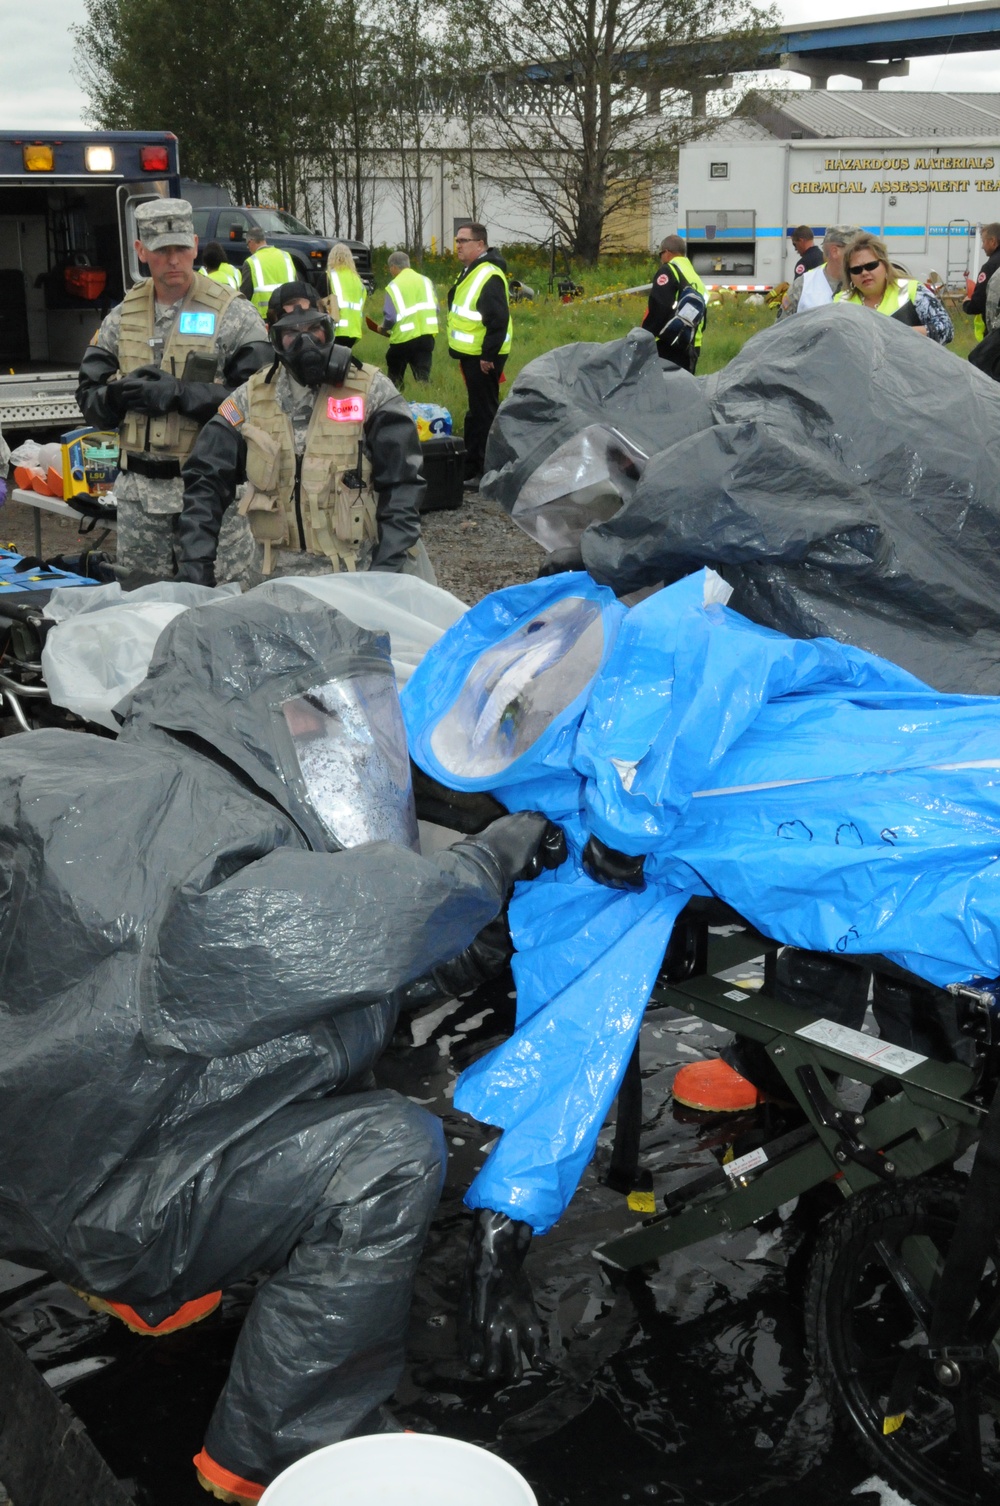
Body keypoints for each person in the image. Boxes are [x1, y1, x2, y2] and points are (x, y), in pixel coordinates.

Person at [0, 580, 559, 1502]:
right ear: (262, 713)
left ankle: (150, 1290)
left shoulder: (57, 764)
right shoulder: (226, 838)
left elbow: (268, 983)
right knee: (385, 1152)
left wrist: (468, 947)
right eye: (324, 716)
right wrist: (491, 860)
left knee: (268, 1051)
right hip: (105, 1204)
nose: (350, 741)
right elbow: (354, 930)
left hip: (34, 1162)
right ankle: (285, 1451)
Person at [176, 281, 434, 583]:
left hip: (354, 579)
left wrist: (385, 576)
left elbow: (403, 488)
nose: (306, 343)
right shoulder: (250, 398)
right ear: (273, 338)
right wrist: (196, 563)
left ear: (329, 328)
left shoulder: (371, 392)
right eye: (291, 334)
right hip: (273, 581)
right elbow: (206, 477)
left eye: (314, 330)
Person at [76, 198, 271, 586]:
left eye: (181, 248)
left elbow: (262, 402)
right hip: (139, 504)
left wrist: (184, 395)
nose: (174, 260)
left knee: (222, 604)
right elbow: (88, 396)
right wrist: (116, 397)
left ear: (195, 246)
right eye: (162, 250)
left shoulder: (233, 313)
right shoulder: (122, 316)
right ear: (140, 251)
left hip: (208, 496)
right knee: (143, 609)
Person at [446, 223, 512, 491]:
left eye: (464, 240)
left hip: (483, 357)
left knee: (484, 414)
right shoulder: (472, 270)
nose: (458, 245)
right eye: (457, 240)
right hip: (472, 354)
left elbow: (498, 319)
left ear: (480, 244)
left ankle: (485, 470)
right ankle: (473, 465)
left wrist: (488, 355)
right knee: (476, 413)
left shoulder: (489, 273)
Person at [835, 231, 953, 344]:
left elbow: (946, 330)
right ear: (849, 275)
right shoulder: (841, 302)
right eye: (856, 269)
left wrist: (898, 333)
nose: (864, 273)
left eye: (871, 266)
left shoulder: (911, 290)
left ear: (885, 265)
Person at [640, 235, 707, 372]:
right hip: (693, 344)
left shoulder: (668, 270)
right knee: (683, 389)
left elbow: (659, 307)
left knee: (663, 389)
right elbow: (703, 316)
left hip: (670, 344)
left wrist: (644, 336)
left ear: (667, 252)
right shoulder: (694, 276)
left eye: (660, 254)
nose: (661, 258)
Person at [381, 250, 439, 390]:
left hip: (404, 340)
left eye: (390, 269)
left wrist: (383, 328)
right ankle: (427, 402)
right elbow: (436, 308)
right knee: (423, 379)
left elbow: (390, 317)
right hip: (426, 336)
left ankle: (397, 402)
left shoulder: (393, 286)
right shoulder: (426, 281)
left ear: (394, 267)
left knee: (395, 377)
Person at [781, 225, 860, 315]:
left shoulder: (865, 282)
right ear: (835, 251)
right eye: (855, 249)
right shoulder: (803, 285)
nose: (861, 254)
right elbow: (782, 326)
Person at [241, 225, 297, 316]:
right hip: (289, 314)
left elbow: (245, 296)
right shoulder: (286, 256)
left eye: (247, 245)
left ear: (251, 242)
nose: (248, 248)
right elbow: (296, 284)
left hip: (263, 317)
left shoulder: (251, 262)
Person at [963, 221, 1000, 340]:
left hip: (995, 335)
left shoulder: (990, 267)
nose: (982, 246)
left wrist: (967, 303)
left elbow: (978, 304)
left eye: (984, 241)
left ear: (993, 241)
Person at [325, 242, 366, 348]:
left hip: (336, 330)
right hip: (354, 332)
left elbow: (321, 305)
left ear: (331, 258)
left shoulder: (329, 277)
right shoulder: (358, 280)